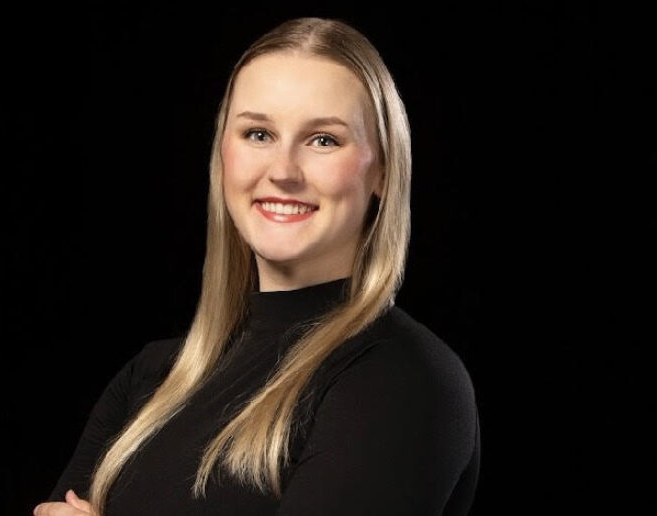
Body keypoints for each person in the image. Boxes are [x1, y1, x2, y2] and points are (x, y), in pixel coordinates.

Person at [33, 16, 480, 516]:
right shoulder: (154, 378)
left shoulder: (406, 382)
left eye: (323, 140)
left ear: (382, 169)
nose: (283, 171)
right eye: (258, 133)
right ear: (223, 154)